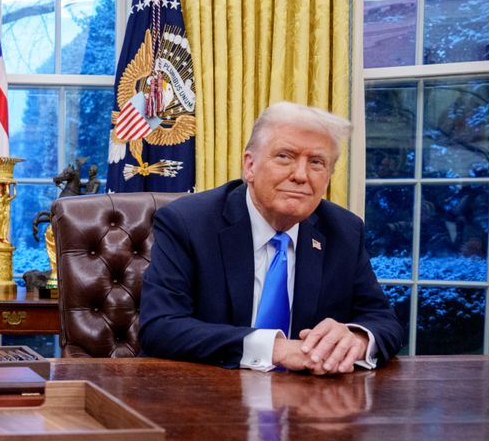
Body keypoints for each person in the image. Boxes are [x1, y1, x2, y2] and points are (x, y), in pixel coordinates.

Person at [139, 102, 403, 373]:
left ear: (328, 178)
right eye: (285, 157)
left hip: (308, 402)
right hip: (204, 395)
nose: (301, 175)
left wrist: (356, 339)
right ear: (250, 166)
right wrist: (274, 348)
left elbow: (383, 321)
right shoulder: (188, 222)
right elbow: (160, 326)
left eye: (316, 162)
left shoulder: (344, 231)